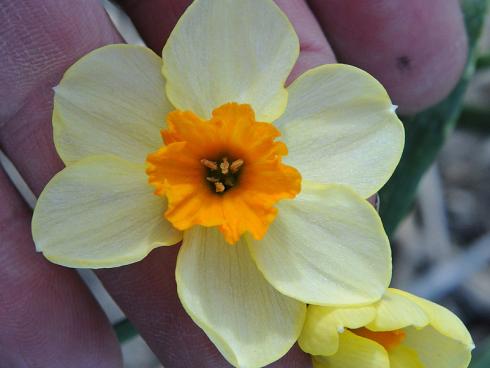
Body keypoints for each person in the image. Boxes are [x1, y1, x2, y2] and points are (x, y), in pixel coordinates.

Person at [0, 0, 468, 367]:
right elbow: (87, 100)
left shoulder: (331, 152)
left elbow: (368, 122)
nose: (222, 175)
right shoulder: (117, 100)